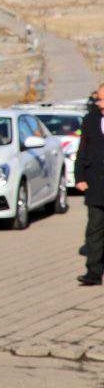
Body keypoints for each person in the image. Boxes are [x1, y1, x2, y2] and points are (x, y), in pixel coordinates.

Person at [76, 86, 104, 285]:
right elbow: (82, 151)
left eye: (102, 100)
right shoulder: (90, 120)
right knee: (94, 229)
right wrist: (79, 178)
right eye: (98, 99)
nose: (99, 104)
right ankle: (93, 272)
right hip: (96, 185)